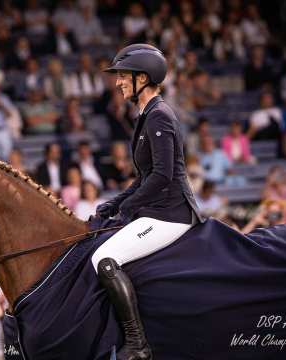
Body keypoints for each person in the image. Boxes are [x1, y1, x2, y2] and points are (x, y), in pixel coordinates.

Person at [94, 43, 203, 359]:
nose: (118, 82)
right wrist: (116, 203)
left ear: (143, 78)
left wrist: (127, 207)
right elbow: (145, 177)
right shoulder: (146, 116)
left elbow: (163, 176)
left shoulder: (159, 116)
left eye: (123, 76)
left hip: (172, 214)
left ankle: (137, 343)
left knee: (104, 259)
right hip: (158, 209)